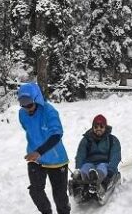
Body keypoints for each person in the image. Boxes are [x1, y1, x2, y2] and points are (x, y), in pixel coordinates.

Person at [17, 83, 71, 214]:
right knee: (35, 190)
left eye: (29, 104)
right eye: (23, 104)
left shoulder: (49, 111)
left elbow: (57, 135)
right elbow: (28, 130)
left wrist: (39, 151)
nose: (27, 108)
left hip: (56, 159)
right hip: (35, 158)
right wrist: (35, 152)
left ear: (37, 99)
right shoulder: (22, 114)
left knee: (60, 197)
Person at [75, 114, 121, 189]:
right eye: (96, 127)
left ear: (105, 127)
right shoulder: (86, 140)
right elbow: (80, 154)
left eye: (101, 127)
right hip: (90, 163)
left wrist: (111, 170)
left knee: (102, 167)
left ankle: (96, 182)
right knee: (85, 167)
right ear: (92, 127)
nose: (98, 129)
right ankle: (84, 184)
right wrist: (78, 169)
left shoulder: (112, 140)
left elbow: (115, 156)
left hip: (106, 164)